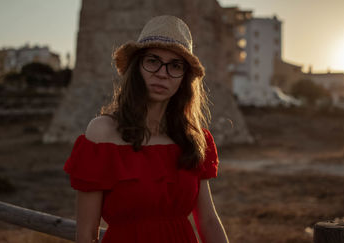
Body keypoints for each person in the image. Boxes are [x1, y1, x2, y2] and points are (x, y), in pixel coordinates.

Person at [64, 15, 229, 243]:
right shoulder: (102, 134)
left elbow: (208, 221)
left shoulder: (193, 138)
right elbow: (86, 234)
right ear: (136, 67)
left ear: (184, 78)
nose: (162, 73)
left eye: (175, 65)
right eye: (153, 61)